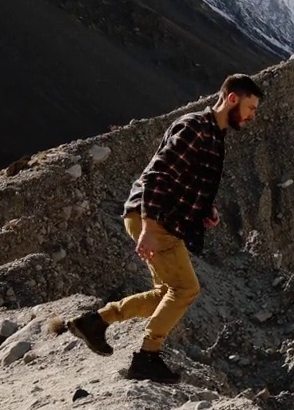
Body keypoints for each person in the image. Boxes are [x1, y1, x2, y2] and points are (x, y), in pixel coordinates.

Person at [67, 74, 264, 382]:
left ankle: (95, 322)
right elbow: (157, 176)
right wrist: (149, 228)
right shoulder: (196, 129)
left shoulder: (211, 134)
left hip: (159, 218)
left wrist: (203, 211)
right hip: (156, 219)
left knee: (165, 293)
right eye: (251, 107)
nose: (253, 116)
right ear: (232, 99)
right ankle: (146, 357)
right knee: (186, 288)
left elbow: (182, 182)